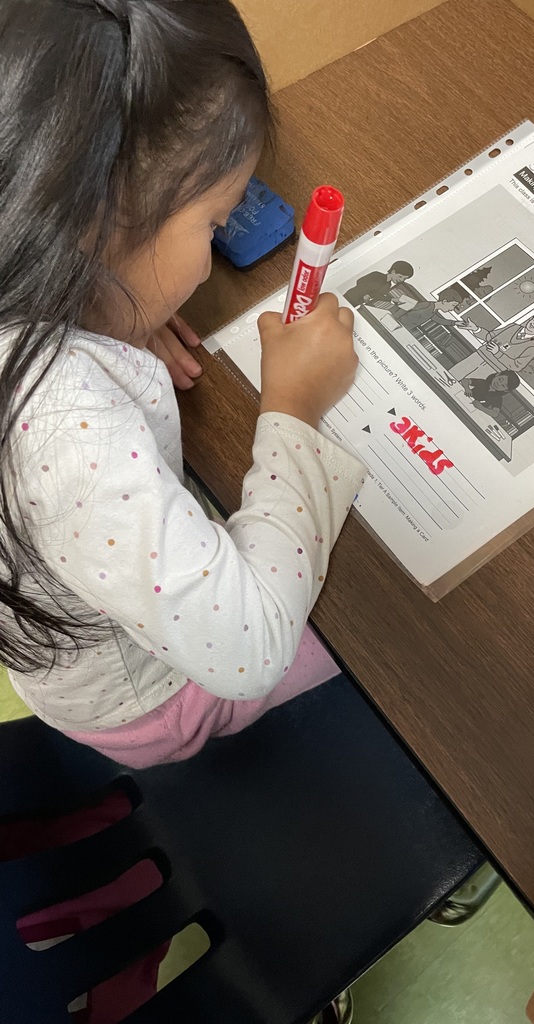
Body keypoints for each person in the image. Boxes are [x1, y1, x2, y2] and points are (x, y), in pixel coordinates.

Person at [0, 0, 365, 771]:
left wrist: (108, 306)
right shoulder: (68, 438)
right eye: (212, 223)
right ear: (90, 227)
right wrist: (292, 410)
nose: (209, 259)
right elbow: (252, 648)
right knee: (389, 641)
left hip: (80, 622)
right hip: (156, 702)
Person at [446, 311, 534, 382]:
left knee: (463, 388)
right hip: (478, 356)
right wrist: (476, 329)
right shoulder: (512, 327)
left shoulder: (532, 349)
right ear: (530, 318)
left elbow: (516, 366)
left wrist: (497, 353)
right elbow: (490, 336)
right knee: (450, 375)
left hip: (492, 369)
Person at [343, 260, 415, 308]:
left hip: (358, 302)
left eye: (404, 279)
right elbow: (360, 281)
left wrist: (392, 299)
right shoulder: (377, 274)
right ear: (393, 272)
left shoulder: (388, 285)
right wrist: (365, 294)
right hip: (352, 295)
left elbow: (376, 295)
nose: (401, 280)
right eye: (400, 276)